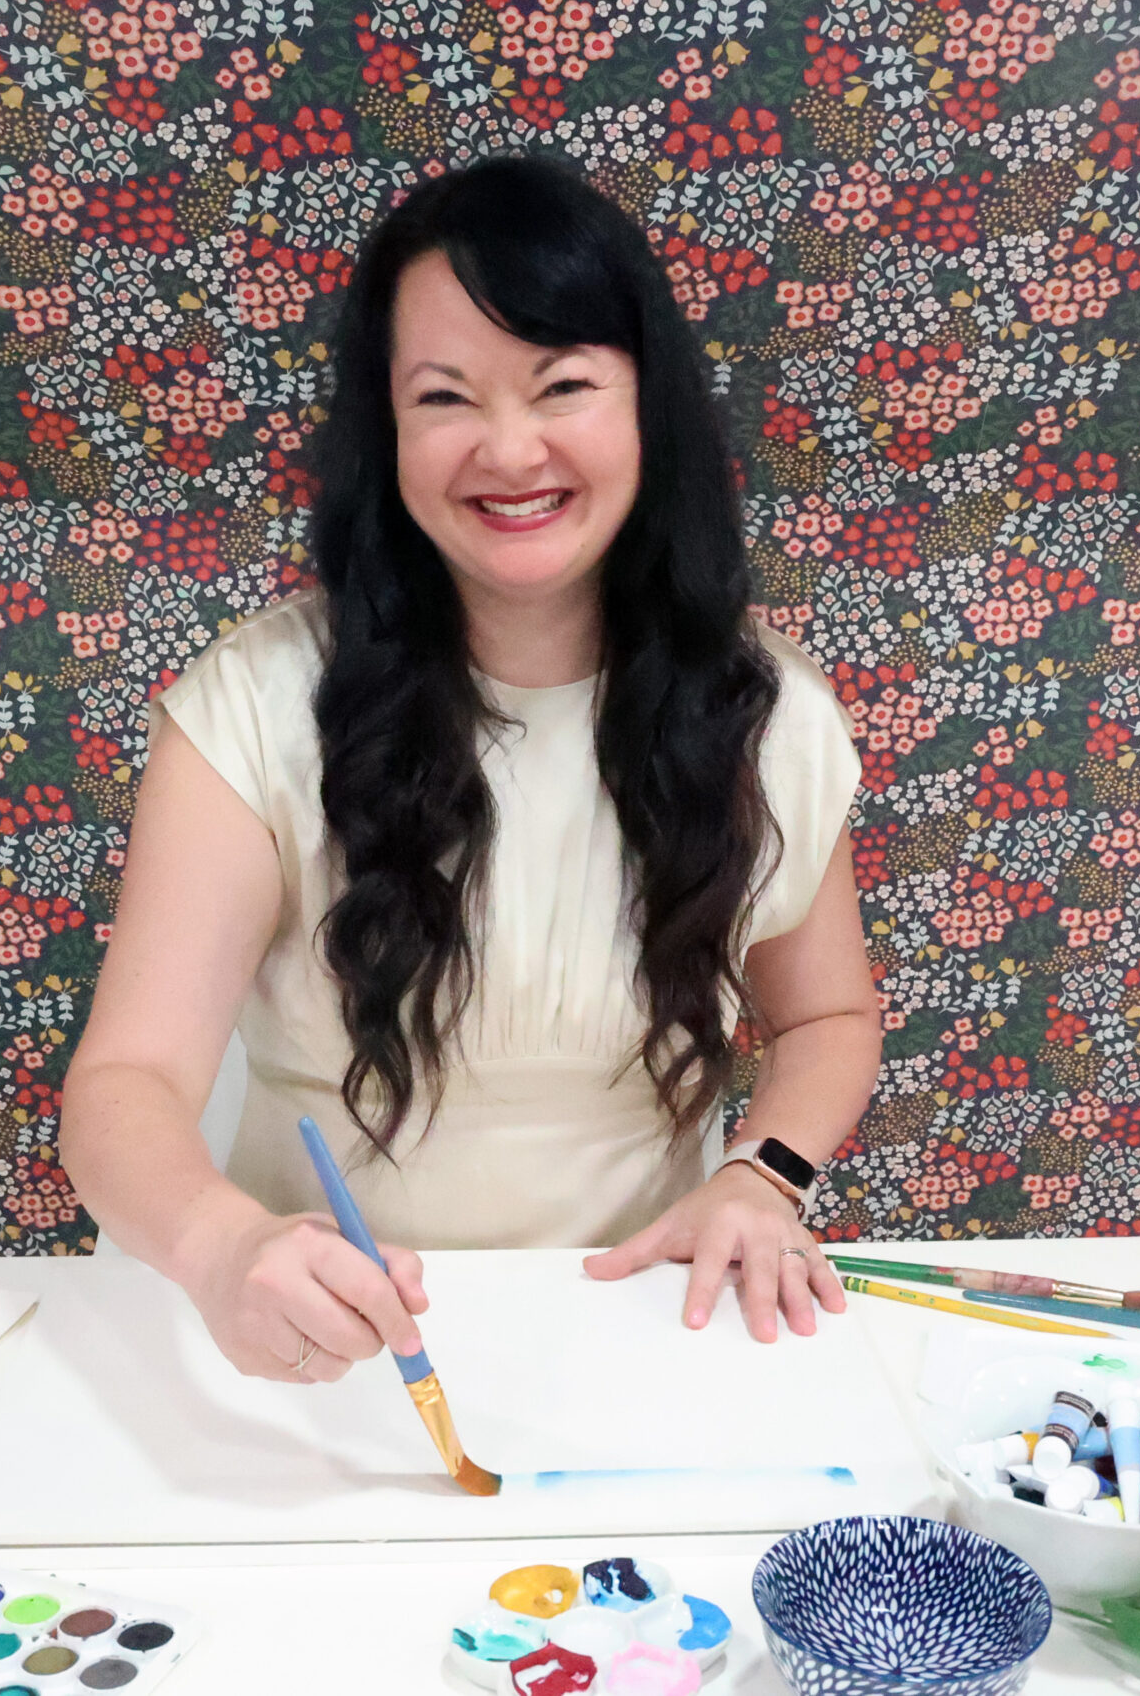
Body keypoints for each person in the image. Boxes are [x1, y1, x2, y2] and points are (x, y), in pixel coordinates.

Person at [58, 154, 882, 1387]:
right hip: (323, 1350)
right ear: (384, 424)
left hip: (649, 1334)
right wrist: (223, 1247)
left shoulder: (766, 712)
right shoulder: (254, 704)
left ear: (646, 408)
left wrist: (763, 1178)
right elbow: (121, 1084)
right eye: (445, 398)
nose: (508, 450)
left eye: (561, 385)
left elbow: (827, 1016)